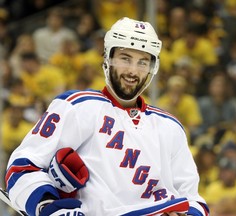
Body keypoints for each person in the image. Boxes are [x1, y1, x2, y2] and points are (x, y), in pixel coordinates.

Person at [5, 17, 209, 216]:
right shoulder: (77, 107)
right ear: (107, 59)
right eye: (125, 59)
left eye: (142, 62)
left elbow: (193, 198)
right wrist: (45, 206)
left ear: (152, 68)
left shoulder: (170, 127)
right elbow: (22, 168)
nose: (132, 71)